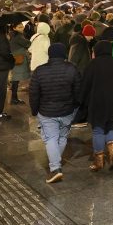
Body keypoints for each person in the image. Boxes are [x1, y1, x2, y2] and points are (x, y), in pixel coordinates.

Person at [29, 43, 81, 183]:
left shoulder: (40, 71)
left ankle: (55, 168)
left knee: (50, 138)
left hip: (47, 112)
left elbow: (34, 93)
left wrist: (34, 110)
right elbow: (78, 91)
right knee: (62, 137)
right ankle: (56, 162)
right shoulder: (72, 68)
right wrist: (76, 106)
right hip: (67, 110)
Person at [80, 40, 113, 171]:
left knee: (98, 130)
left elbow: (85, 85)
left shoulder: (93, 64)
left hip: (97, 103)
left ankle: (99, 161)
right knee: (110, 127)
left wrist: (82, 101)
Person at [8, 22, 31, 104]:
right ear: (14, 28)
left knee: (15, 79)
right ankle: (14, 99)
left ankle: (14, 98)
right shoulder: (18, 36)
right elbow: (28, 43)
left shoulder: (12, 35)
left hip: (15, 58)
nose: (21, 28)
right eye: (19, 27)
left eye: (22, 26)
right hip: (18, 58)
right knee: (15, 79)